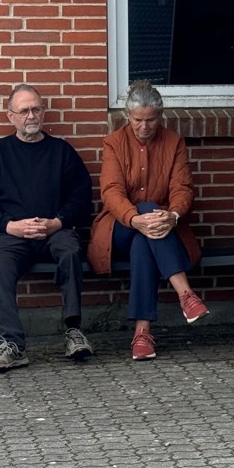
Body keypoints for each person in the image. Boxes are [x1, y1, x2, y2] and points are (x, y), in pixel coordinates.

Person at [0, 84, 94, 374]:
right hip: (9, 234)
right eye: (24, 110)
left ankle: (73, 331)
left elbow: (81, 197)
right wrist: (10, 226)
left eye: (36, 109)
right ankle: (9, 345)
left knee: (70, 249)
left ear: (43, 112)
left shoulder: (62, 152)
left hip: (54, 230)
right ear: (10, 116)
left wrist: (57, 222)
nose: (31, 115)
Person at [87, 80, 207, 362]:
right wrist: (135, 218)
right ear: (127, 116)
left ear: (160, 116)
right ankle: (186, 294)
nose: (144, 127)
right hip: (119, 228)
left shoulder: (174, 142)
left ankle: (142, 334)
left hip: (160, 230)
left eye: (151, 120)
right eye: (138, 120)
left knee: (144, 242)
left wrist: (173, 215)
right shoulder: (114, 143)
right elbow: (111, 191)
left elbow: (182, 188)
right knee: (147, 210)